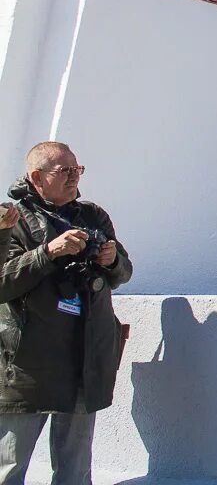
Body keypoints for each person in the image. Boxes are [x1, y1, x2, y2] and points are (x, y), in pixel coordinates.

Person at [0, 141, 133, 483]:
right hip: (29, 364)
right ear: (36, 177)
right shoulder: (12, 220)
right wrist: (48, 252)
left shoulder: (93, 215)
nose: (75, 177)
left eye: (78, 169)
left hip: (83, 358)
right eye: (65, 171)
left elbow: (124, 273)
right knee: (10, 467)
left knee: (74, 470)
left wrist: (111, 260)